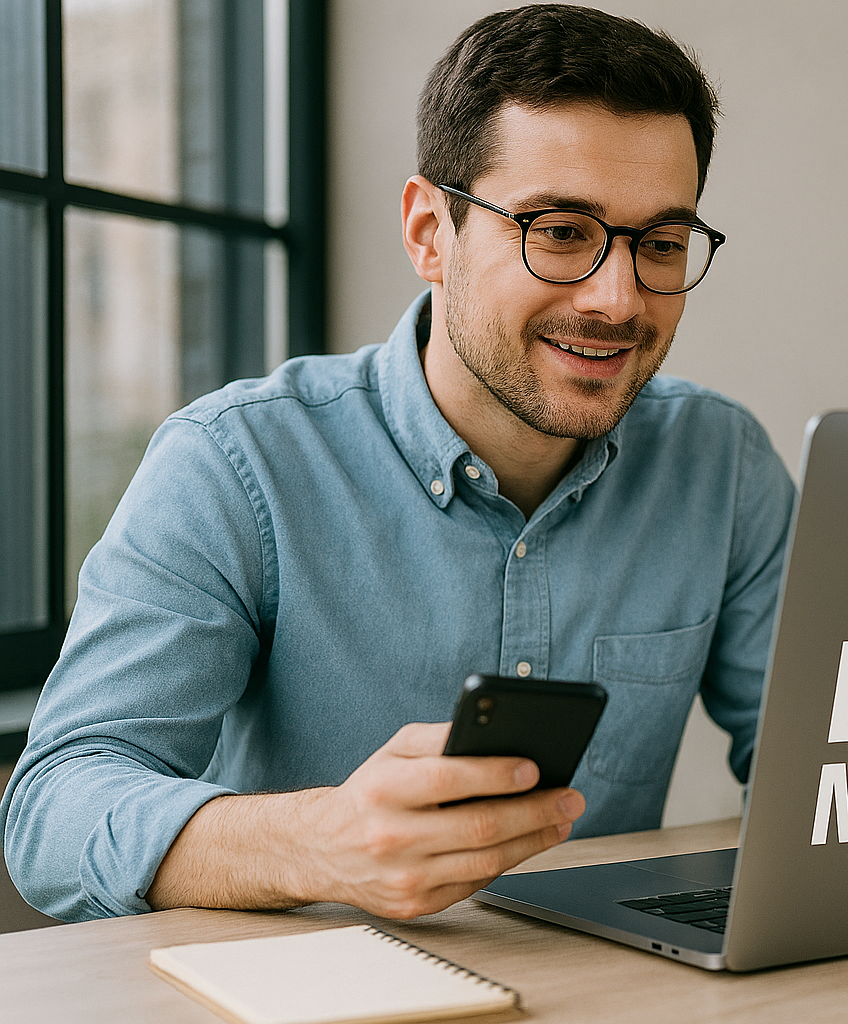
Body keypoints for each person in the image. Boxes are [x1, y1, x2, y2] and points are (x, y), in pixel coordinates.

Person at [2, 5, 795, 923]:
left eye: (659, 244)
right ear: (430, 232)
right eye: (560, 231)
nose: (617, 300)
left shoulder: (722, 463)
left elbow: (824, 769)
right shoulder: (233, 463)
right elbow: (52, 811)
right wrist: (320, 841)